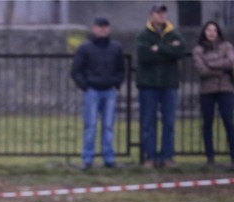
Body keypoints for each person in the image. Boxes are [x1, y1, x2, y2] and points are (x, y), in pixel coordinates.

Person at [71, 16, 125, 170]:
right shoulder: (85, 48)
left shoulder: (116, 48)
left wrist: (116, 83)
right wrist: (86, 86)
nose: (103, 29)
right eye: (100, 26)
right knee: (91, 126)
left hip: (109, 91)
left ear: (109, 28)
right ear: (94, 28)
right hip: (92, 91)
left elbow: (121, 69)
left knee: (108, 126)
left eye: (105, 26)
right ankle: (87, 159)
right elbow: (76, 71)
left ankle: (109, 159)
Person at [136, 3, 185, 169]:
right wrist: (167, 51)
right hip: (148, 84)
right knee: (149, 122)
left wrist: (158, 49)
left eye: (163, 13)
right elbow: (144, 56)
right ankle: (150, 156)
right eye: (157, 13)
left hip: (169, 83)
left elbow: (180, 51)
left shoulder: (174, 33)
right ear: (151, 15)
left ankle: (167, 157)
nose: (161, 15)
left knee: (169, 122)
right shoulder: (143, 35)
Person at [192, 20, 234, 169]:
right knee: (207, 123)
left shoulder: (227, 46)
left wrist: (211, 64)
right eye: (209, 30)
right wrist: (221, 67)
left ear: (218, 32)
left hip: (225, 88)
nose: (211, 33)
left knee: (229, 122)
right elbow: (201, 70)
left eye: (214, 30)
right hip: (207, 90)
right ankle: (210, 157)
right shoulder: (198, 49)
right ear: (204, 32)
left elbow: (231, 62)